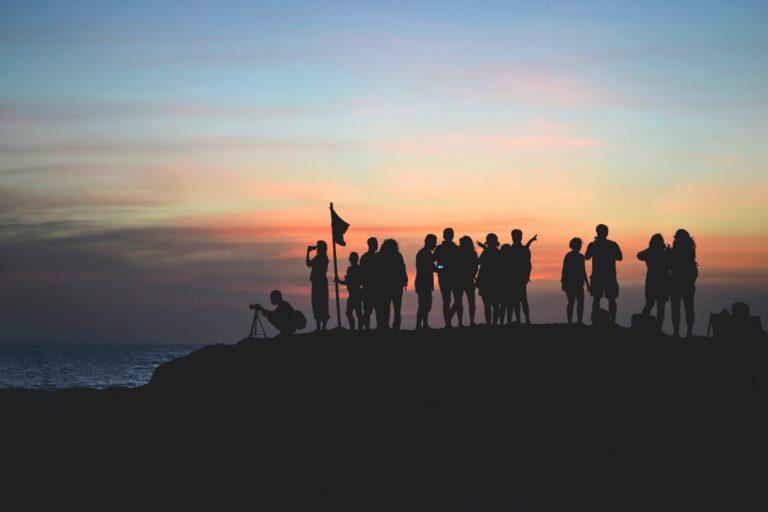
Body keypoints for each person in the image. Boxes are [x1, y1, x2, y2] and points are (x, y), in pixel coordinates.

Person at [585, 224, 623, 324]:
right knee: (611, 299)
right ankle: (613, 321)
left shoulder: (593, 245)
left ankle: (596, 321)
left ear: (597, 232)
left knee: (596, 299)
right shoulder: (612, 244)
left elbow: (586, 257)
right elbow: (620, 257)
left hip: (597, 276)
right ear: (607, 233)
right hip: (610, 276)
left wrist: (594, 245)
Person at [637, 233, 670, 330]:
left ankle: (642, 326)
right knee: (660, 307)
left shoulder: (650, 253)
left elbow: (639, 255)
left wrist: (651, 249)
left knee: (649, 304)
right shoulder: (664, 254)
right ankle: (658, 328)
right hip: (663, 282)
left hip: (652, 282)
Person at [669, 229, 698, 337]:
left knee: (676, 308)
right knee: (689, 307)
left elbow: (670, 264)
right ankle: (689, 332)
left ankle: (676, 332)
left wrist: (668, 252)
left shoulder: (675, 251)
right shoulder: (690, 250)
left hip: (676, 283)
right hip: (688, 283)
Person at [376, 239, 408, 330]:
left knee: (386, 308)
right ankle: (395, 327)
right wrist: (404, 280)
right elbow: (403, 269)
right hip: (395, 286)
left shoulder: (379, 255)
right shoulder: (397, 256)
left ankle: (386, 326)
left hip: (386, 286)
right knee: (396, 309)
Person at [507, 230, 537, 324]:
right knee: (520, 300)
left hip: (517, 278)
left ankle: (524, 319)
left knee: (520, 300)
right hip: (517, 278)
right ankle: (523, 319)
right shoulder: (520, 249)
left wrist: (526, 276)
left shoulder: (512, 250)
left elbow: (527, 264)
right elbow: (527, 264)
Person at [433, 228, 460, 328]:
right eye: (448, 234)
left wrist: (441, 268)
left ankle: (448, 319)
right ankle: (448, 323)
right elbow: (433, 260)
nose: (449, 236)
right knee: (447, 301)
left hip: (454, 278)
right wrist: (441, 268)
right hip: (445, 278)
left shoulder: (456, 248)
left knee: (456, 301)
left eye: (450, 234)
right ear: (445, 236)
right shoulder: (440, 248)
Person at [561, 238, 590, 325]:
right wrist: (587, 284)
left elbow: (582, 271)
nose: (580, 246)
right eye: (579, 244)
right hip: (574, 283)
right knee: (576, 302)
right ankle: (576, 321)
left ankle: (575, 321)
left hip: (574, 283)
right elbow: (566, 270)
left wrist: (587, 284)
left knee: (574, 302)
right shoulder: (576, 257)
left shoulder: (571, 256)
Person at [476, 233, 502, 325]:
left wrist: (484, 248)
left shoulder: (487, 252)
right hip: (494, 281)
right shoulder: (498, 253)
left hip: (486, 281)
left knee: (488, 304)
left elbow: (479, 261)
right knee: (494, 304)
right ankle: (493, 323)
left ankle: (489, 323)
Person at [453, 236, 478, 326]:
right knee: (463, 302)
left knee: (462, 302)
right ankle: (465, 322)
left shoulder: (459, 253)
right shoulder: (471, 253)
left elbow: (475, 267)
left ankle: (465, 322)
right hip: (464, 280)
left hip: (463, 280)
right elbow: (475, 267)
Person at [335, 252, 363, 330]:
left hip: (357, 293)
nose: (351, 260)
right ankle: (353, 329)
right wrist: (340, 281)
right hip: (352, 293)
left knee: (358, 313)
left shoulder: (358, 268)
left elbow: (360, 281)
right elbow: (347, 282)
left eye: (352, 259)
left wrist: (345, 280)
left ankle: (358, 329)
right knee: (350, 313)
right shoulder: (350, 269)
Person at [415, 234, 438, 329]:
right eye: (434, 242)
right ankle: (421, 325)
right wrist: (443, 267)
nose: (435, 245)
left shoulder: (423, 253)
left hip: (422, 283)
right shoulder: (425, 253)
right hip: (424, 283)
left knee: (424, 305)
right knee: (424, 305)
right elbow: (433, 267)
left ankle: (423, 325)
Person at [306, 240, 329, 331]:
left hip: (319, 284)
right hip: (318, 284)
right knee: (318, 305)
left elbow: (308, 264)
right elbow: (309, 264)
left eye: (318, 246)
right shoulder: (321, 257)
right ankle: (320, 328)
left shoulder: (321, 258)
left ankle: (321, 328)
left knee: (320, 304)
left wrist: (308, 252)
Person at [359, 237, 379, 330]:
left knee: (376, 310)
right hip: (370, 288)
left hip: (372, 287)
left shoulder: (365, 257)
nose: (377, 245)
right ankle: (367, 328)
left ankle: (370, 328)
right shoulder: (369, 257)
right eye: (375, 243)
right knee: (368, 311)